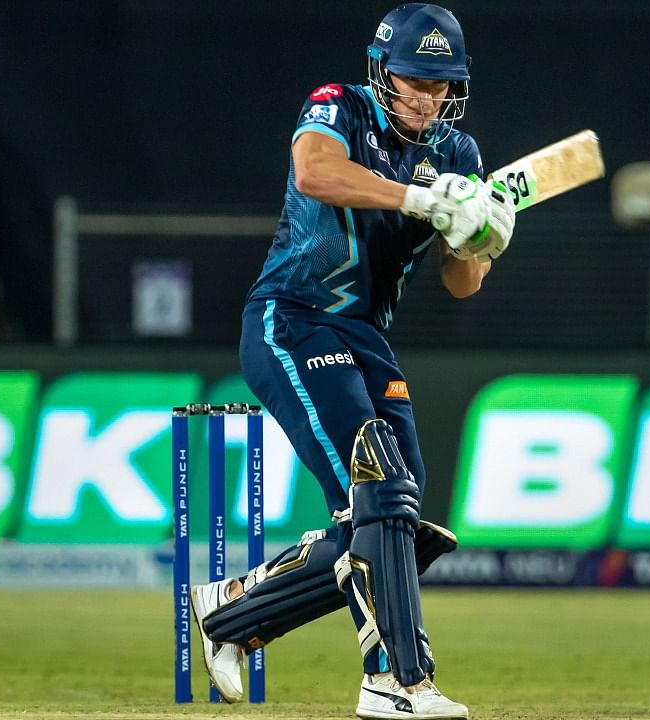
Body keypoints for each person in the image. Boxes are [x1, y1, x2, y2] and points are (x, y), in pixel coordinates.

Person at [187, 5, 513, 719]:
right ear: (383, 71)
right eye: (414, 81)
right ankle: (398, 681)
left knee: (402, 519)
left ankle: (231, 613)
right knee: (380, 489)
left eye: (441, 86)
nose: (426, 99)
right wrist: (425, 199)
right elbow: (315, 173)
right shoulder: (338, 108)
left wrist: (479, 236)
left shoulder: (459, 153)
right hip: (291, 319)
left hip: (367, 337)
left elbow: (462, 283)